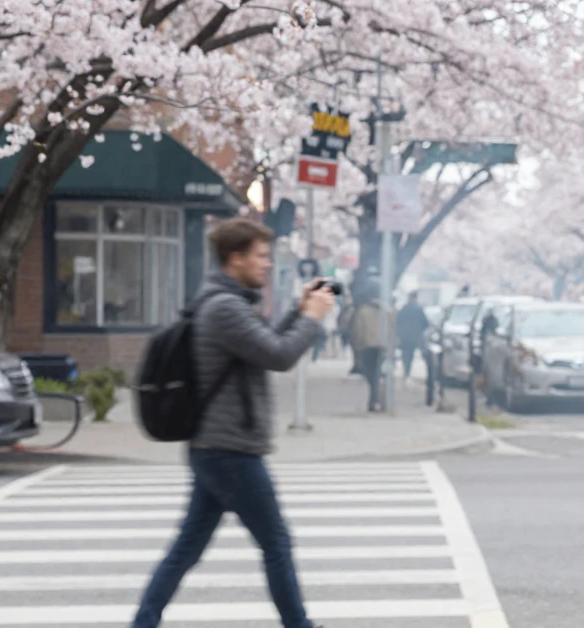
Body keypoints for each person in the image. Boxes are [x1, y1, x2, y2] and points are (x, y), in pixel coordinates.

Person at [132, 218, 332, 628]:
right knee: (275, 542)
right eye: (260, 256)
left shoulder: (228, 304)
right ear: (234, 258)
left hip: (215, 448)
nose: (266, 265)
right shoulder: (225, 308)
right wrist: (312, 319)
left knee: (187, 549)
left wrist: (297, 312)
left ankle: (143, 622)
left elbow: (263, 347)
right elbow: (278, 356)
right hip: (230, 449)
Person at [349, 281, 396, 412]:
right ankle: (375, 400)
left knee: (371, 374)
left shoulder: (362, 311)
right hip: (382, 347)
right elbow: (392, 332)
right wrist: (392, 348)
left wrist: (357, 348)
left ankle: (374, 401)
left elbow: (358, 331)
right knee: (376, 373)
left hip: (367, 347)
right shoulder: (387, 312)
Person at [397, 290, 431, 381]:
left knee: (406, 356)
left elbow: (398, 322)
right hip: (416, 336)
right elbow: (426, 323)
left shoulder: (404, 308)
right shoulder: (419, 309)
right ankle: (429, 375)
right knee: (424, 355)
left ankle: (406, 373)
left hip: (405, 337)